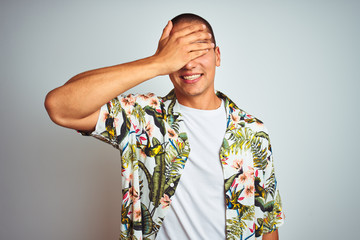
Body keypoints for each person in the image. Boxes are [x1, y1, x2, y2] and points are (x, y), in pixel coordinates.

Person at [45, 13, 284, 240]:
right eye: (179, 52)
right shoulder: (143, 117)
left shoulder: (252, 131)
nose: (189, 64)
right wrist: (156, 63)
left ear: (217, 55)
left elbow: (268, 222)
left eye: (199, 49)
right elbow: (60, 106)